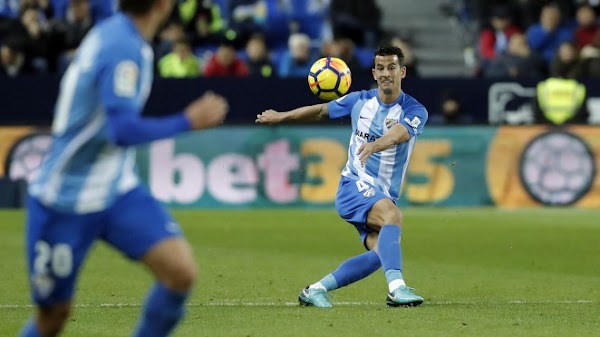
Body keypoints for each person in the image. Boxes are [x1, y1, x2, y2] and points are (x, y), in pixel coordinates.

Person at [19, 0, 229, 336]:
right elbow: (122, 131)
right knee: (53, 317)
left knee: (180, 273)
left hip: (116, 188)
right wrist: (188, 120)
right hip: (64, 197)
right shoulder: (123, 47)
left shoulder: (121, 31)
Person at [255, 44, 427, 308]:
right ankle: (397, 289)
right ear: (373, 72)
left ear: (402, 72)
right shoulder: (360, 100)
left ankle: (315, 290)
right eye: (380, 68)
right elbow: (321, 110)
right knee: (393, 217)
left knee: (383, 253)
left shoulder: (415, 110)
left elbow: (400, 134)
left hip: (382, 194)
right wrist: (282, 117)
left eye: (391, 67)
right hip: (353, 186)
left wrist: (375, 144)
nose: (386, 73)